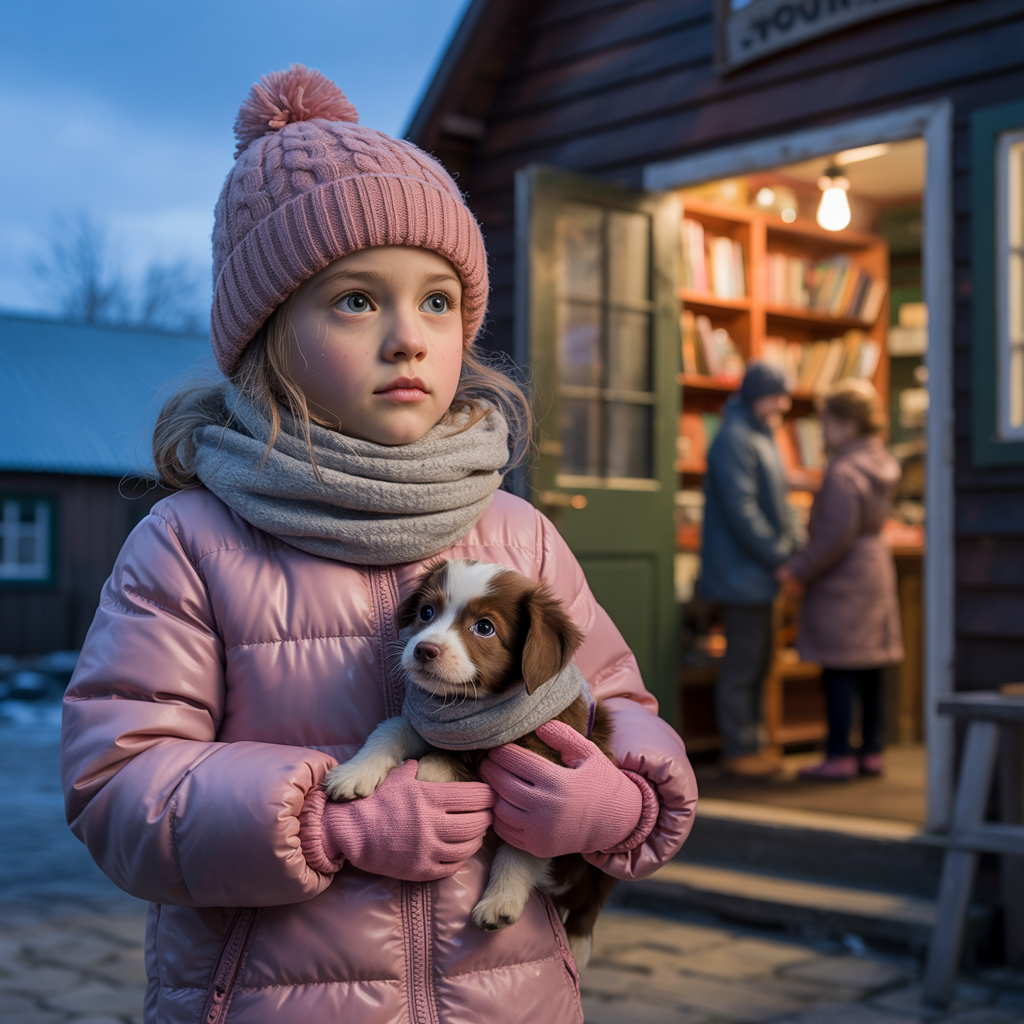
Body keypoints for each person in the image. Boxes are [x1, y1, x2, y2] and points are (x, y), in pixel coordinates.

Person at [58, 66, 697, 1024]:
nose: (409, 338)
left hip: (507, 998)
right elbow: (118, 784)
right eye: (357, 301)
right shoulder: (190, 543)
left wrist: (618, 802)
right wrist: (328, 822)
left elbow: (618, 705)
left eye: (438, 301)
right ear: (267, 335)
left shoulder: (517, 530)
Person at [777, 379, 903, 780]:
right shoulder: (879, 462)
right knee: (871, 667)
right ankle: (872, 751)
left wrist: (798, 569)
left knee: (840, 667)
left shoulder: (844, 471)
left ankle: (838, 754)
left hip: (842, 579)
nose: (822, 431)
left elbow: (834, 535)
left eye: (826, 422)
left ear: (847, 424)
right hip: (874, 568)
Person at [701, 362, 798, 778]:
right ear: (759, 395)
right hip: (741, 573)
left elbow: (779, 501)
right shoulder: (735, 438)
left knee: (758, 665)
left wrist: (788, 552)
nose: (784, 405)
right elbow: (742, 510)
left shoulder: (760, 434)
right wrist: (781, 557)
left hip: (758, 571)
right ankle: (740, 747)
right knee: (743, 666)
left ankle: (754, 743)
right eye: (777, 396)